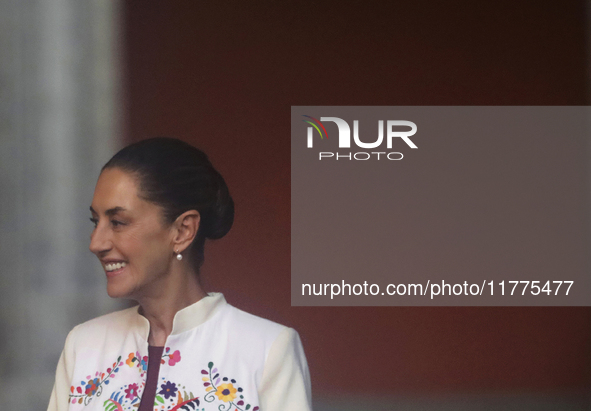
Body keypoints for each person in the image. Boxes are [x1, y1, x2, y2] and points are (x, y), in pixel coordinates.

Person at [47, 137, 311, 411]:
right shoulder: (84, 345)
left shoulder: (267, 350)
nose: (96, 243)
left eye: (118, 222)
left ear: (183, 231)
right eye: (95, 222)